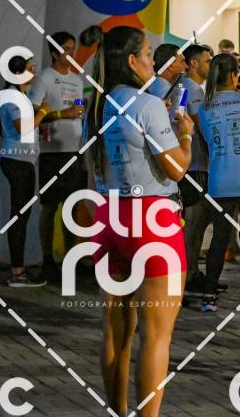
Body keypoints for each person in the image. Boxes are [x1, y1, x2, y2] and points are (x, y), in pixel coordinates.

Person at [86, 26, 194, 416]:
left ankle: (117, 411)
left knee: (115, 331)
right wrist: (186, 136)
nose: (153, 61)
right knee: (156, 336)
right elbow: (177, 169)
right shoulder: (146, 105)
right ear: (132, 61)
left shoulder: (97, 106)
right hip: (153, 219)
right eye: (148, 53)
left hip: (109, 214)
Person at [198, 53, 240, 312]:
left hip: (219, 179)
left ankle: (209, 296)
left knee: (219, 238)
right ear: (235, 75)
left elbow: (207, 143)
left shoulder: (204, 107)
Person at [29, 31, 88, 282]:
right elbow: (32, 112)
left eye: (73, 48)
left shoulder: (77, 80)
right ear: (54, 53)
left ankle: (69, 260)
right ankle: (47, 260)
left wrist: (78, 114)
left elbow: (78, 110)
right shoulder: (44, 77)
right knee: (50, 206)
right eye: (66, 48)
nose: (71, 53)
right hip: (51, 152)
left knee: (71, 207)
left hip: (74, 150)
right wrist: (63, 114)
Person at [0, 56, 49, 287]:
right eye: (31, 68)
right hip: (17, 160)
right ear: (18, 73)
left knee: (22, 215)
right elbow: (22, 128)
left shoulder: (21, 96)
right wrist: (43, 112)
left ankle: (18, 268)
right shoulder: (13, 96)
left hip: (23, 160)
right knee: (19, 216)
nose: (35, 73)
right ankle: (17, 272)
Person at [177, 44, 212, 297]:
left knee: (193, 222)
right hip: (196, 164)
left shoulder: (183, 87)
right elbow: (203, 125)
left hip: (189, 162)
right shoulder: (193, 89)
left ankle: (190, 272)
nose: (211, 65)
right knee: (195, 221)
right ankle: (189, 274)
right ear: (194, 64)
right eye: (207, 61)